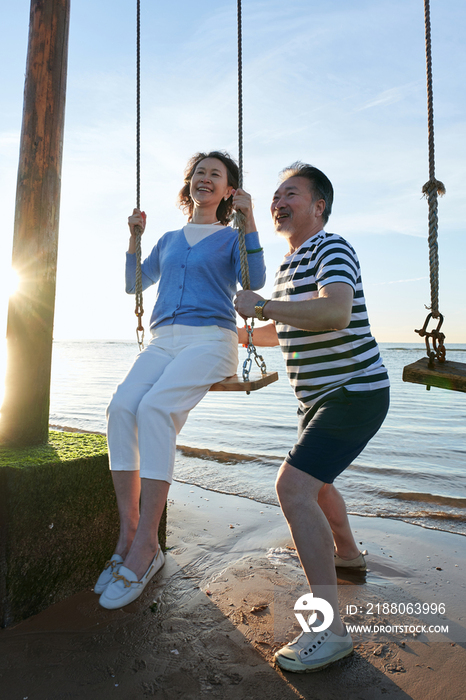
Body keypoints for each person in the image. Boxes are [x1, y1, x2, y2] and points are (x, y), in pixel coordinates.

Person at [234, 162, 389, 673]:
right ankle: (348, 556)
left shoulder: (332, 247)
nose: (279, 201)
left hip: (354, 392)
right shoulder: (286, 265)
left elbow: (334, 313)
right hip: (318, 399)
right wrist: (237, 333)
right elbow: (295, 329)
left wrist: (264, 309)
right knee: (318, 488)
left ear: (318, 206)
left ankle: (329, 630)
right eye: (276, 195)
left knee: (293, 489)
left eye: (290, 193)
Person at [96, 151, 265, 610]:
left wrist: (249, 222)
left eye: (217, 174)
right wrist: (134, 238)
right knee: (121, 408)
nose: (205, 179)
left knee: (155, 409)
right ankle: (129, 531)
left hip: (211, 339)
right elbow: (134, 283)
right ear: (190, 184)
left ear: (229, 191)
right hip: (163, 339)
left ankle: (147, 545)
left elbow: (258, 277)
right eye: (200, 173)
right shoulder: (169, 239)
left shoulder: (231, 237)